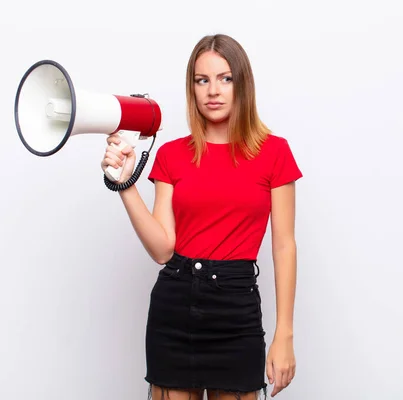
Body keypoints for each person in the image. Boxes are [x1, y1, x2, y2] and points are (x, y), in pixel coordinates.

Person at [100, 33, 303, 400]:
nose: (213, 90)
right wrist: (125, 184)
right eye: (202, 80)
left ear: (243, 84)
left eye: (225, 78)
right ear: (191, 88)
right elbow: (163, 250)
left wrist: (284, 334)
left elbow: (284, 246)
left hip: (236, 310)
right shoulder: (172, 155)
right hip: (175, 306)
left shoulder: (274, 153)